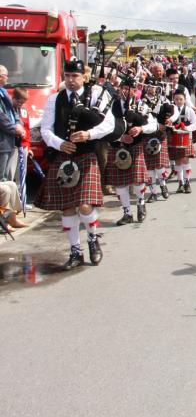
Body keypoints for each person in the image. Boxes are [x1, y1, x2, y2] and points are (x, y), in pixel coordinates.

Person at [35, 59, 115, 269]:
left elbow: (110, 124)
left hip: (87, 155)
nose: (71, 80)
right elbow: (46, 129)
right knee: (68, 208)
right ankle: (75, 251)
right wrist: (59, 144)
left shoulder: (96, 95)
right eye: (67, 76)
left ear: (84, 77)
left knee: (85, 205)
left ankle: (92, 238)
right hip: (63, 157)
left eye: (75, 76)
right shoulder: (55, 99)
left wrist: (89, 134)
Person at [105, 77, 157, 225]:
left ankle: (141, 203)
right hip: (117, 146)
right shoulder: (111, 105)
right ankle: (127, 213)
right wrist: (120, 137)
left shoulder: (141, 105)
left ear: (135, 91)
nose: (127, 92)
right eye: (125, 88)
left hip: (135, 146)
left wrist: (141, 128)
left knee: (138, 180)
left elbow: (153, 125)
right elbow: (103, 127)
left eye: (130, 89)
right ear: (120, 89)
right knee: (120, 184)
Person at [169, 86, 196, 194]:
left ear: (185, 100)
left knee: (185, 160)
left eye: (181, 99)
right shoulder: (171, 110)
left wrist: (187, 128)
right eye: (176, 99)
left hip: (186, 137)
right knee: (178, 161)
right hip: (174, 138)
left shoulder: (189, 110)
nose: (179, 101)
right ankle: (180, 183)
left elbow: (195, 124)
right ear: (174, 99)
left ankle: (187, 182)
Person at [0, 65, 24, 180]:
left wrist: (18, 123)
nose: (7, 78)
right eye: (6, 76)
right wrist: (15, 129)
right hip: (2, 142)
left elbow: (13, 111)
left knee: (5, 176)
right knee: (1, 177)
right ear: (1, 77)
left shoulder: (4, 92)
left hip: (9, 141)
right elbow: (1, 118)